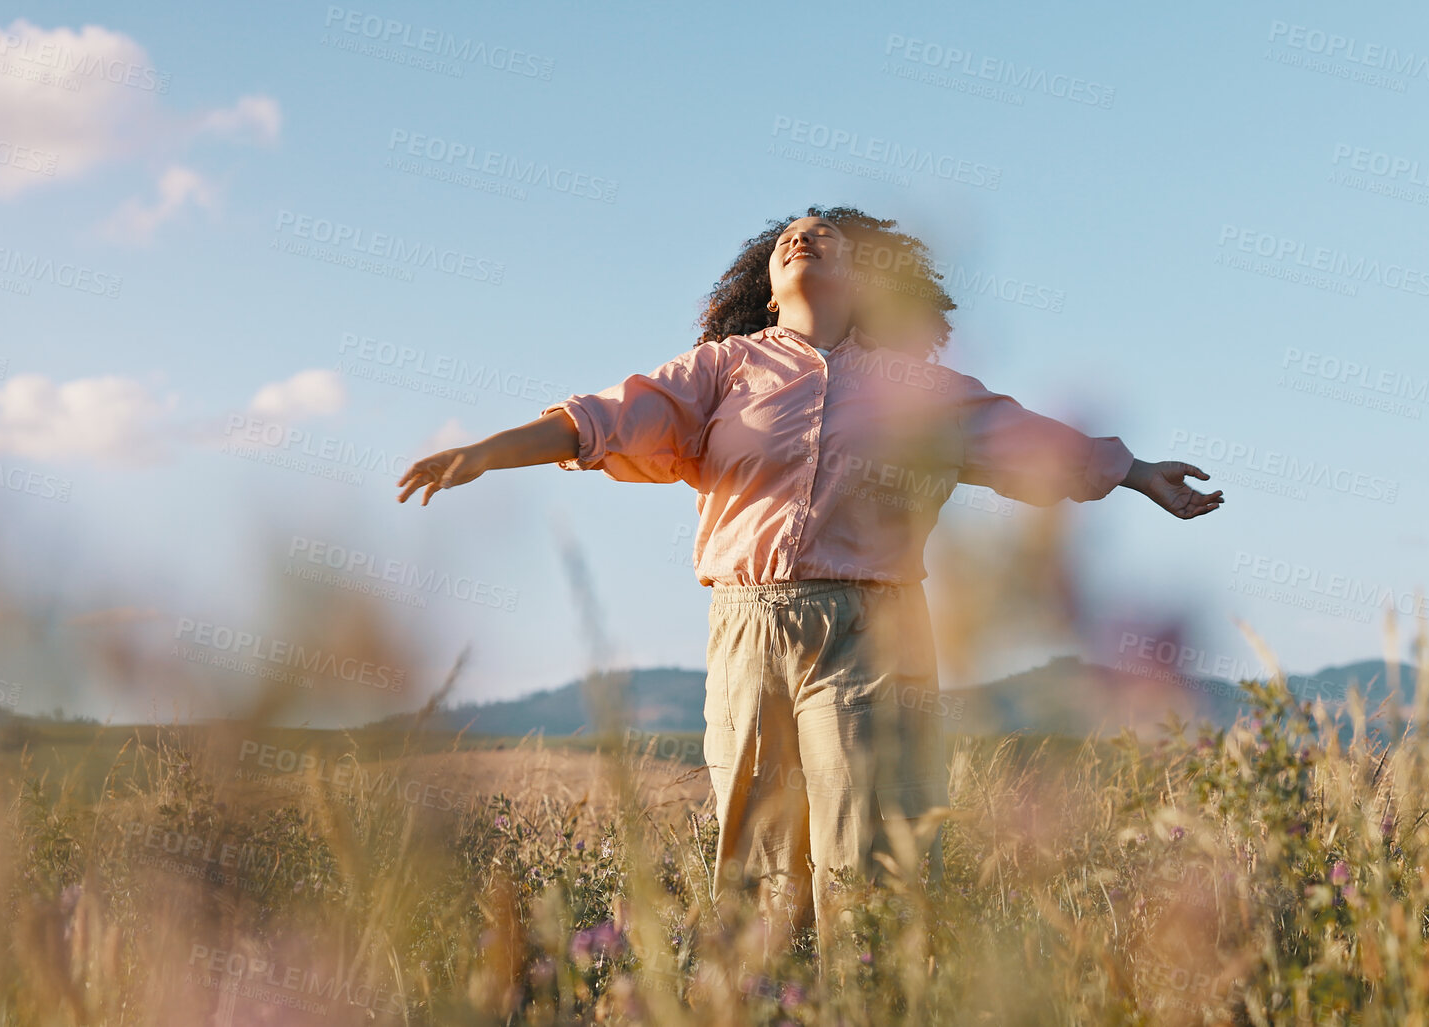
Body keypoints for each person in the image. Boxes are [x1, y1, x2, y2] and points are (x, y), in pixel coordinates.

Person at [396, 206, 1222, 952]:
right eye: (790, 232)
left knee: (868, 853)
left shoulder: (916, 390)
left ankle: (869, 1004)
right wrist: (487, 450)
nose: (803, 234)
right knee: (751, 856)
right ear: (767, 277)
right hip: (747, 625)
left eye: (826, 233)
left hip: (873, 628)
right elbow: (609, 416)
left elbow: (1020, 439)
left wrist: (1132, 470)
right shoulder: (720, 369)